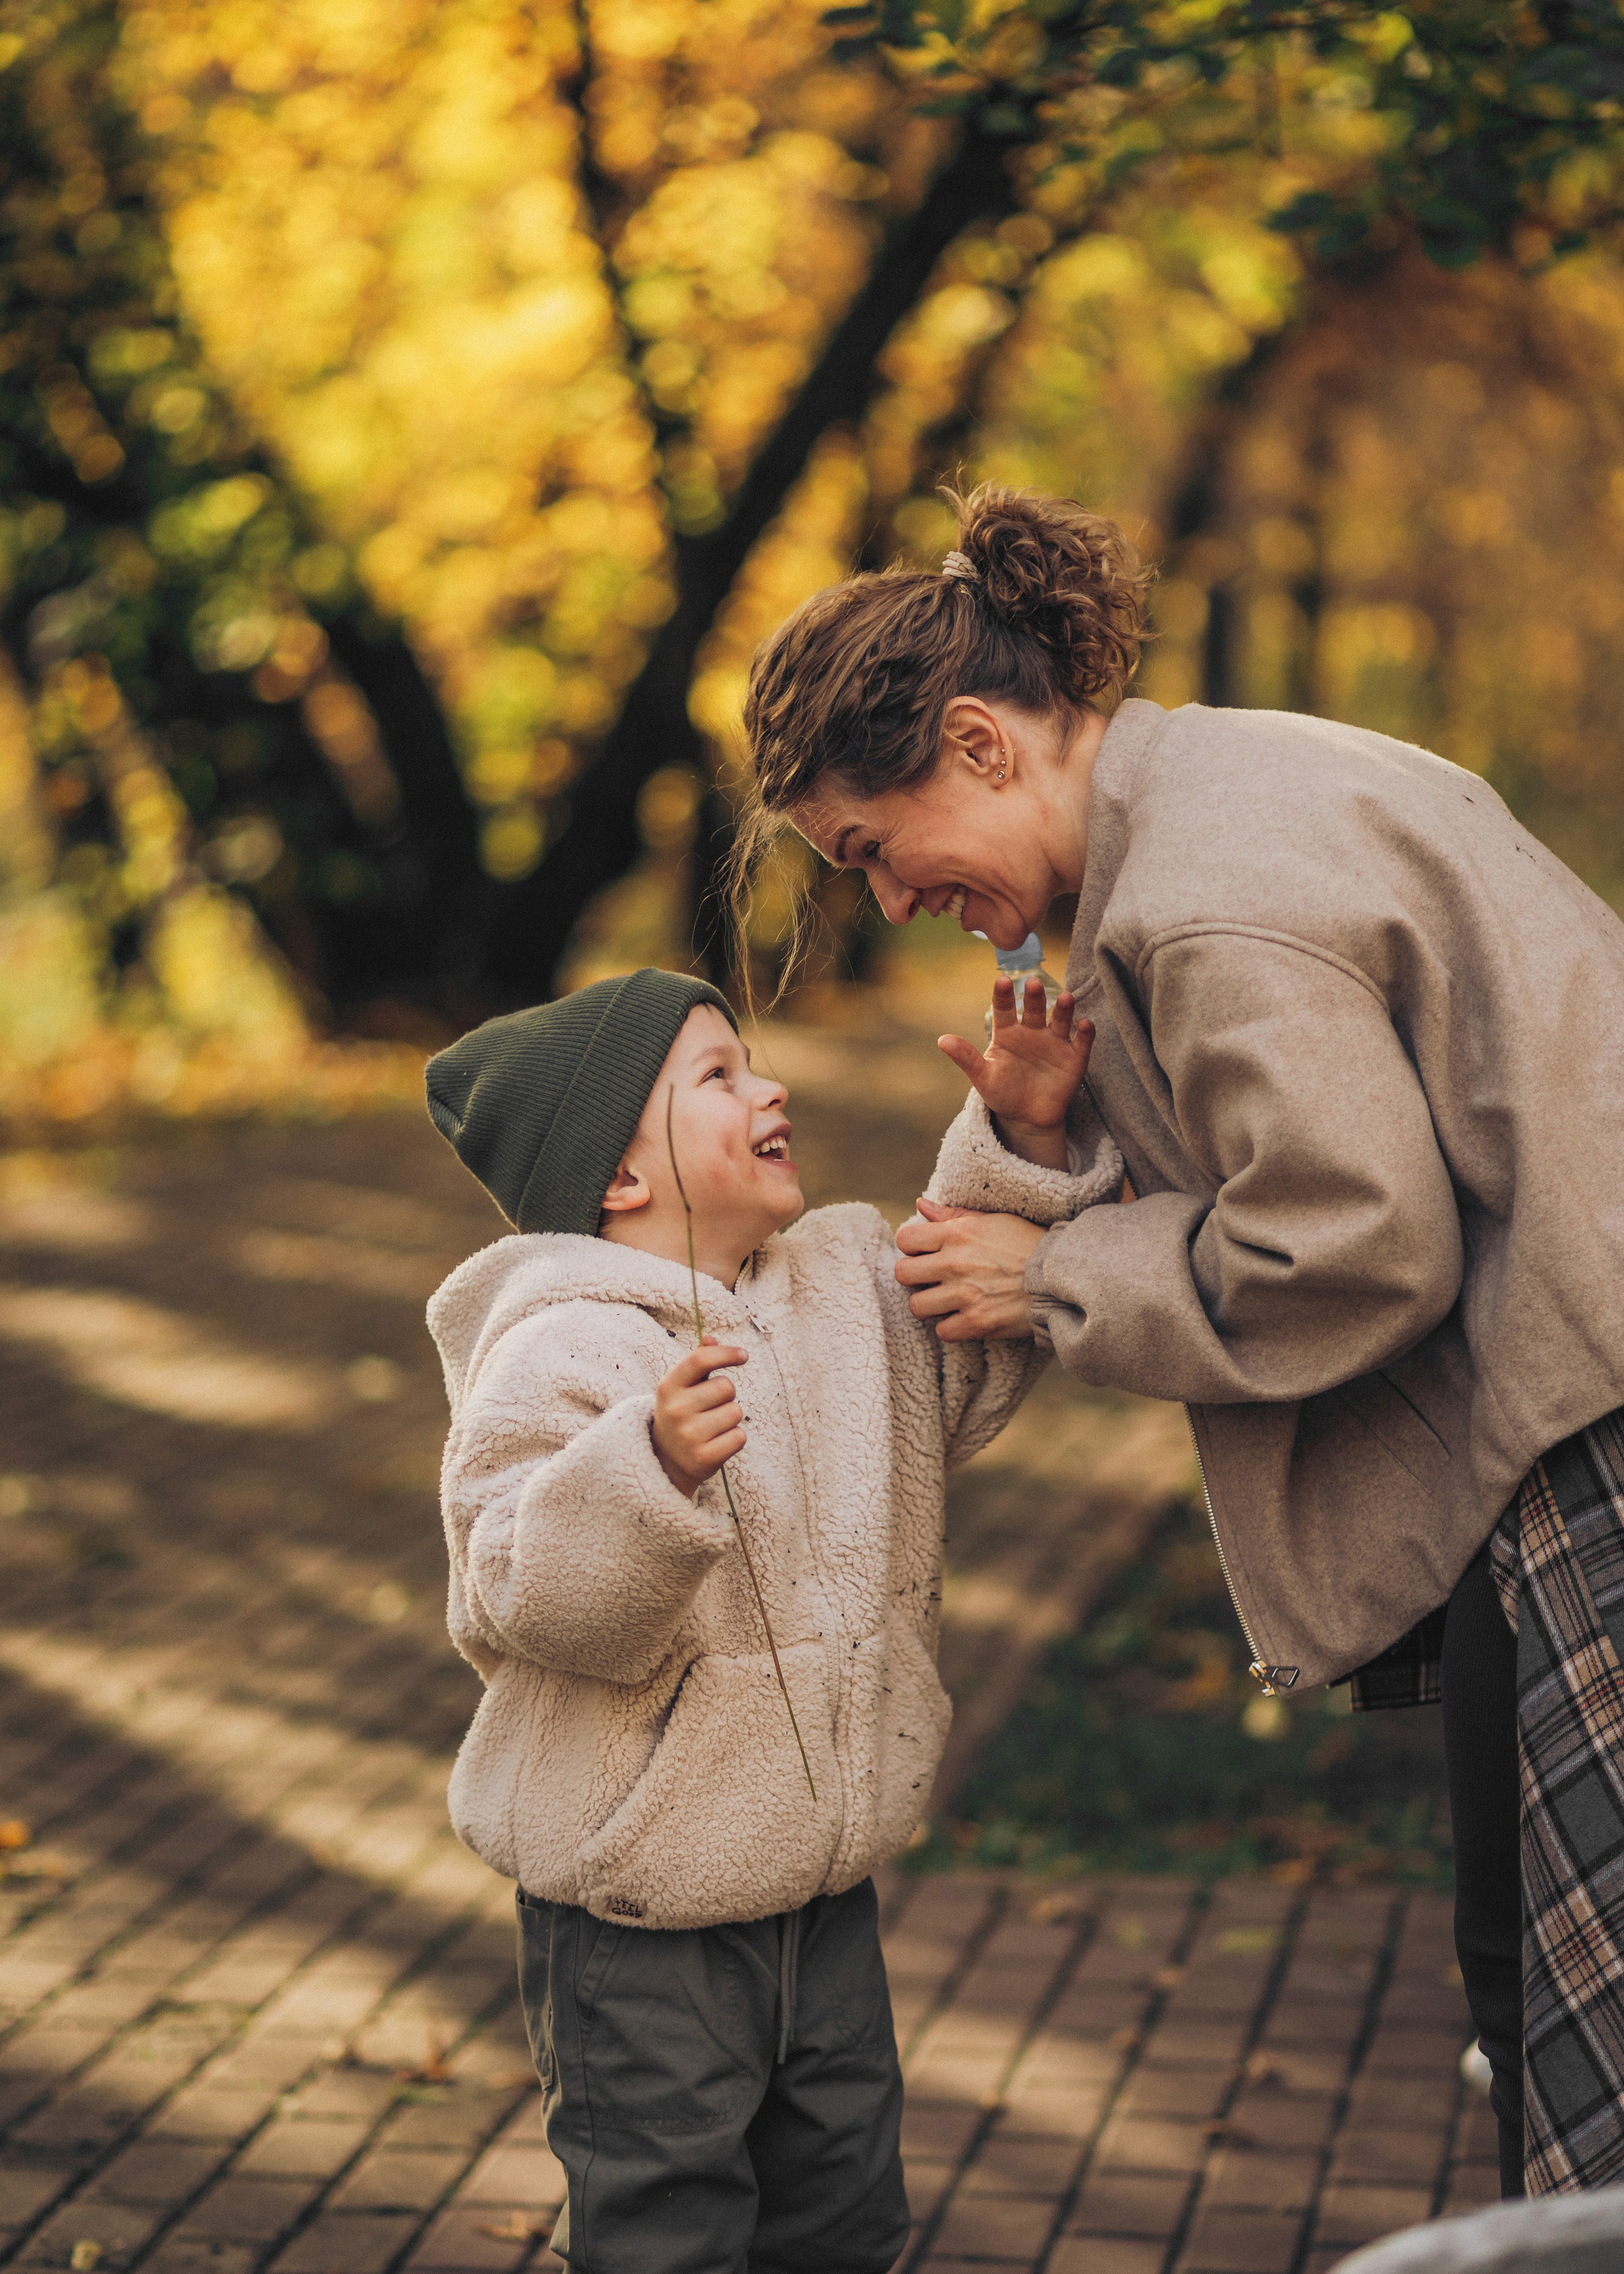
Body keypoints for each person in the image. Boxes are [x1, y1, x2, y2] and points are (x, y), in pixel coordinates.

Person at [735, 485, 1624, 2202]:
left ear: (980, 743)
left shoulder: (1197, 901)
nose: (894, 896)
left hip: (1591, 1426)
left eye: (870, 848)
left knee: (1581, 2014)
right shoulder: (1227, 783)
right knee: (1527, 1970)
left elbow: (1356, 1243)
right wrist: (1067, 1143)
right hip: (1571, 1404)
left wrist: (1053, 1277)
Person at [420, 965, 1118, 2273]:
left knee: (842, 2212)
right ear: (619, 1178)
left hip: (817, 1886)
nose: (770, 1085)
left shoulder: (839, 1282)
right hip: (639, 1917)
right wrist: (648, 1470)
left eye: (754, 1063)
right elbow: (515, 1585)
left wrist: (1024, 1141)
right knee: (665, 2223)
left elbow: (964, 1329)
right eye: (719, 1077)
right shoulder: (559, 1352)